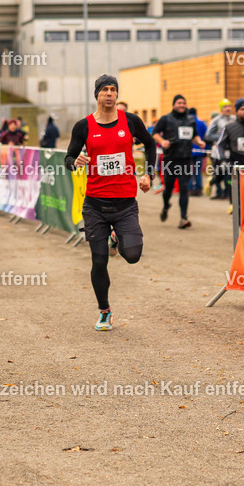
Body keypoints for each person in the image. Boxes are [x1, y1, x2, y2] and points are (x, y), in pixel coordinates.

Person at [65, 74, 155, 331]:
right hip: (94, 204)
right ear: (96, 95)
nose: (109, 94)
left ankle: (116, 239)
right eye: (104, 89)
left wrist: (149, 173)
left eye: (113, 89)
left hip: (125, 203)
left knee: (133, 256)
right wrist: (74, 162)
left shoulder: (131, 121)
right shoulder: (84, 126)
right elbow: (69, 156)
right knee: (98, 260)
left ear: (117, 95)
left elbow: (150, 145)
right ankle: (104, 311)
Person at [153, 94, 204, 229]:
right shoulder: (166, 119)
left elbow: (194, 136)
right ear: (174, 104)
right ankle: (165, 206)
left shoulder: (190, 120)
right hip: (170, 159)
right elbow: (155, 133)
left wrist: (199, 142)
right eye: (179, 103)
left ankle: (183, 218)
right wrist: (162, 141)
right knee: (168, 189)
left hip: (186, 159)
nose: (182, 105)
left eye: (183, 103)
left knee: (184, 189)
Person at [206, 99, 235, 200]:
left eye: (229, 106)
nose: (228, 109)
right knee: (219, 173)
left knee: (229, 173)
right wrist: (222, 137)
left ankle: (227, 193)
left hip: (231, 151)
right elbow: (208, 135)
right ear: (221, 109)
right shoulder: (216, 120)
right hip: (218, 151)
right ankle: (216, 189)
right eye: (225, 107)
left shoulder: (235, 119)